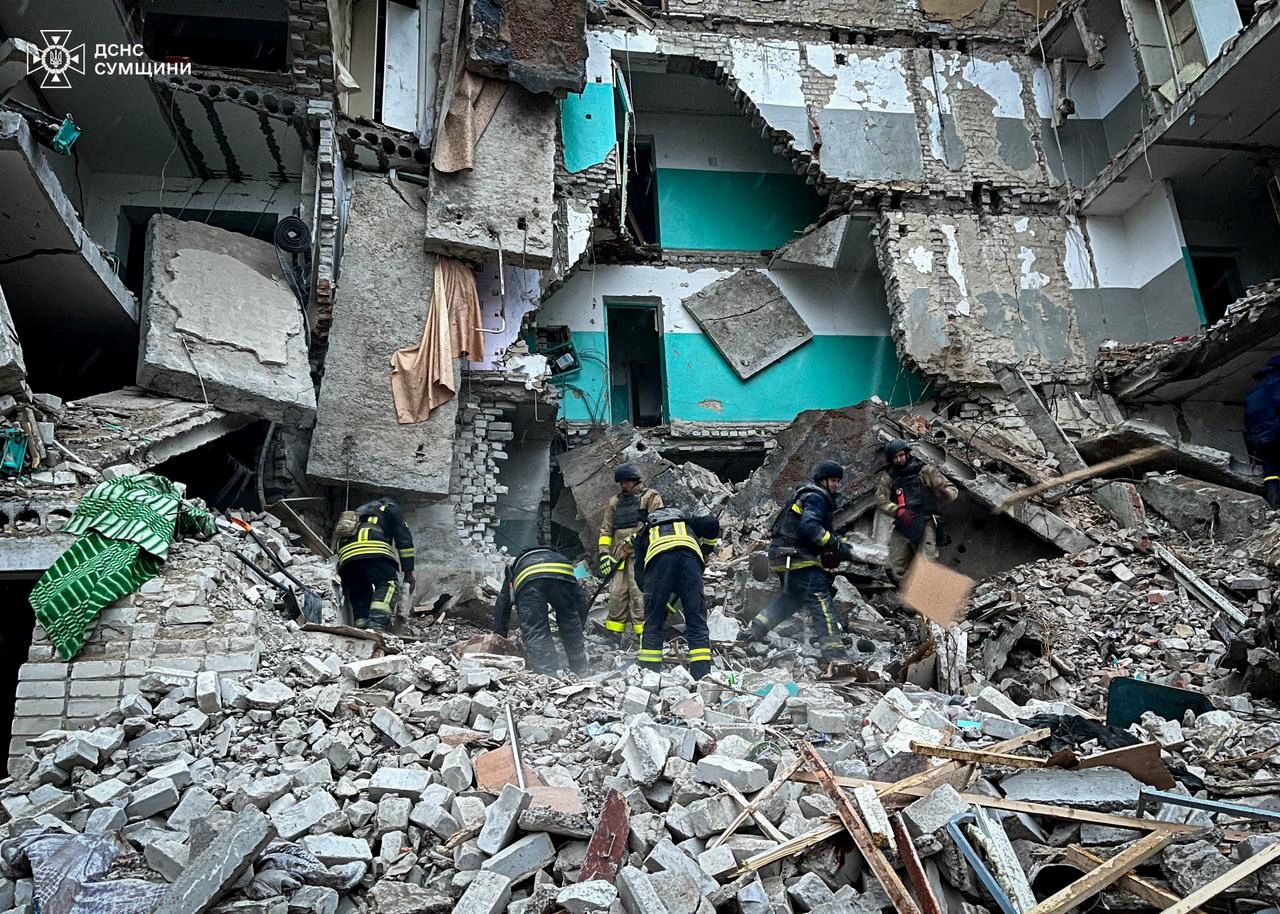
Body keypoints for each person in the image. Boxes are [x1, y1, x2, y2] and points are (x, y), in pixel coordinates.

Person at [747, 461, 857, 660]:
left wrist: (839, 543)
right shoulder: (816, 497)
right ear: (822, 480)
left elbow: (819, 531)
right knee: (821, 600)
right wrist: (832, 543)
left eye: (837, 481)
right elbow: (810, 528)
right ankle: (834, 652)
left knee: (791, 600)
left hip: (783, 555)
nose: (835, 485)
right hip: (796, 557)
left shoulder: (809, 496)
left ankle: (756, 628)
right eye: (832, 480)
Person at [631, 507, 720, 679]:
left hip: (659, 563)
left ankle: (650, 675)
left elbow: (640, 577)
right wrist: (706, 550)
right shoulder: (687, 522)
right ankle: (701, 677)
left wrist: (657, 600)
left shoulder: (644, 533)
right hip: (690, 561)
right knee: (696, 621)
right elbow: (712, 522)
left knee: (653, 623)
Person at [494, 546, 589, 676]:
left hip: (529, 580)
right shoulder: (559, 558)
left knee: (536, 629)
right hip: (562, 575)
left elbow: (503, 604)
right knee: (570, 621)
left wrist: (499, 637)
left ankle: (548, 675)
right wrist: (579, 625)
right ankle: (580, 669)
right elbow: (581, 600)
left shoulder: (514, 567)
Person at [598, 464, 664, 644]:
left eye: (626, 481)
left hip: (641, 555)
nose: (623, 485)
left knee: (639, 595)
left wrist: (636, 540)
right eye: (620, 482)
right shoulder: (615, 502)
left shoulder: (650, 497)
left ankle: (644, 637)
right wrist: (604, 554)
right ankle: (613, 636)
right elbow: (606, 531)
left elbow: (657, 523)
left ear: (635, 480)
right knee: (617, 594)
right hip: (619, 556)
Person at [876, 439, 958, 581]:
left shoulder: (925, 471)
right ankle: (905, 596)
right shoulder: (889, 477)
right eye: (895, 457)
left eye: (901, 455)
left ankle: (925, 598)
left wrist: (944, 493)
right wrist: (897, 511)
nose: (899, 459)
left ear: (907, 454)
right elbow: (881, 501)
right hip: (904, 522)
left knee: (927, 562)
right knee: (894, 568)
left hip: (926, 520)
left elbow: (952, 490)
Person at [335, 497, 415, 631]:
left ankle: (362, 628)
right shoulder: (390, 508)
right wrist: (408, 573)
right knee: (387, 585)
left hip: (346, 558)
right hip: (373, 550)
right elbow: (404, 541)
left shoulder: (358, 513)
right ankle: (377, 626)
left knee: (359, 592)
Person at [1245, 354, 1280, 509]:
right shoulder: (1276, 383)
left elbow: (1247, 418)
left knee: (1271, 468)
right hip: (1276, 429)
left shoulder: (1255, 390)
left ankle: (1274, 505)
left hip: (1260, 436)